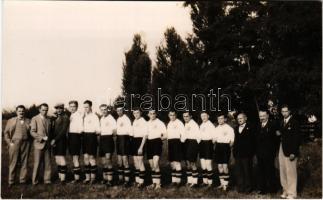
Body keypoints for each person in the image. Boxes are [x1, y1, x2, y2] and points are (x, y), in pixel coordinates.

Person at [4, 105, 31, 187]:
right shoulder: (11, 120)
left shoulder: (28, 120)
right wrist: (9, 143)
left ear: (24, 112)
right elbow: (6, 133)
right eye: (19, 111)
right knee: (13, 162)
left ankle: (22, 180)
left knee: (24, 162)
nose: (21, 112)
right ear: (16, 112)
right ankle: (11, 181)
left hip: (26, 143)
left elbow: (32, 132)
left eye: (22, 111)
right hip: (14, 143)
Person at [278, 104, 300, 199]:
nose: (284, 113)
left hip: (290, 150)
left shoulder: (294, 122)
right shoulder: (281, 122)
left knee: (291, 172)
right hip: (282, 148)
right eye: (282, 111)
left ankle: (292, 193)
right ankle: (285, 190)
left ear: (289, 111)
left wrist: (294, 152)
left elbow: (297, 138)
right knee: (283, 170)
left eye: (286, 111)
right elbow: (282, 135)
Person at [255, 109, 279, 194]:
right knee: (261, 171)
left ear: (267, 115)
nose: (261, 118)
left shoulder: (272, 125)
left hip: (269, 153)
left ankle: (273, 189)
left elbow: (276, 140)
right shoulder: (258, 125)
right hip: (260, 153)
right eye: (260, 116)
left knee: (270, 171)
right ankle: (262, 189)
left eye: (263, 116)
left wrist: (273, 151)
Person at [233, 112, 255, 193]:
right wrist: (234, 152)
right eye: (238, 119)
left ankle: (248, 188)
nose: (239, 120)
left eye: (241, 118)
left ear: (245, 118)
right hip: (238, 153)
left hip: (247, 154)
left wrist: (251, 153)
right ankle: (240, 187)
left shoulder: (250, 127)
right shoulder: (236, 128)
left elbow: (253, 142)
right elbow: (235, 141)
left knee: (247, 171)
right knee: (239, 171)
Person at [30, 103, 52, 185]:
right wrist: (41, 138)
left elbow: (50, 132)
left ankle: (47, 180)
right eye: (43, 110)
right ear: (39, 110)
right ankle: (35, 181)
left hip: (47, 145)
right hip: (38, 144)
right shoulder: (34, 118)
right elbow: (32, 132)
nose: (45, 111)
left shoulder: (49, 119)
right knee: (37, 163)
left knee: (48, 163)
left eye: (46, 110)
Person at [213, 112, 235, 191]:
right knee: (219, 166)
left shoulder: (229, 128)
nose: (220, 120)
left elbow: (232, 141)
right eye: (218, 119)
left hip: (225, 147)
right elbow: (214, 140)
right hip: (218, 147)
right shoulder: (216, 128)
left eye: (222, 118)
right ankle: (222, 183)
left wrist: (228, 148)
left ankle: (226, 184)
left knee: (225, 166)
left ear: (225, 119)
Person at [146, 109, 167, 190]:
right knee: (152, 165)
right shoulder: (147, 123)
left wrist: (160, 139)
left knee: (155, 163)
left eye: (154, 113)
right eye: (150, 113)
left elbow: (165, 134)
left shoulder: (160, 122)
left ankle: (159, 184)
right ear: (148, 115)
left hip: (157, 143)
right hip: (149, 143)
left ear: (156, 114)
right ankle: (154, 183)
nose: (152, 115)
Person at [51, 103, 69, 183]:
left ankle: (63, 179)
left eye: (60, 108)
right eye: (57, 108)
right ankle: (60, 176)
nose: (58, 110)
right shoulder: (55, 117)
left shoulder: (65, 117)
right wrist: (53, 139)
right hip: (54, 140)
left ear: (63, 109)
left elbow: (63, 131)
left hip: (61, 140)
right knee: (57, 158)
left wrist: (55, 139)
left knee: (61, 157)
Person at [82, 100, 100, 184]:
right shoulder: (84, 116)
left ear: (90, 107)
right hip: (85, 137)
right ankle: (87, 178)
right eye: (84, 107)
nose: (85, 108)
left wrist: (94, 134)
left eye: (87, 107)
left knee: (91, 157)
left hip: (92, 137)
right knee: (85, 157)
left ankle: (93, 178)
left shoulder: (94, 117)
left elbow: (98, 130)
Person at [166, 110, 185, 187]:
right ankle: (174, 180)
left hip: (177, 143)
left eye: (173, 115)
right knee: (172, 162)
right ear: (168, 115)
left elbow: (183, 134)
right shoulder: (169, 123)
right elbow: (167, 135)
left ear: (176, 115)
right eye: (171, 115)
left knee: (177, 162)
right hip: (170, 143)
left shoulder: (179, 123)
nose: (172, 116)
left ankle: (178, 182)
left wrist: (181, 143)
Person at [99, 104, 116, 186]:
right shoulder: (101, 118)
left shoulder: (111, 118)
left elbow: (115, 130)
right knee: (103, 161)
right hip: (102, 139)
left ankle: (110, 180)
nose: (103, 111)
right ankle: (105, 178)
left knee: (108, 159)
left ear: (107, 110)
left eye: (105, 109)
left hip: (108, 139)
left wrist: (110, 135)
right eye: (102, 110)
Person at [181, 111, 200, 188]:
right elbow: (184, 135)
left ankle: (195, 182)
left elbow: (198, 136)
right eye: (184, 116)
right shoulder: (186, 123)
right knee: (187, 162)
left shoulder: (194, 124)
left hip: (193, 143)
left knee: (192, 163)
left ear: (190, 116)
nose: (185, 118)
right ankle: (189, 180)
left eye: (187, 116)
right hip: (186, 143)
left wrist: (195, 146)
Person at [131, 107, 148, 188]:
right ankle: (137, 180)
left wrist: (141, 147)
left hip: (140, 142)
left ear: (140, 113)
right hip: (134, 141)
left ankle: (141, 182)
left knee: (140, 162)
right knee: (136, 163)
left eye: (137, 113)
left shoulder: (143, 121)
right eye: (134, 113)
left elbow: (145, 135)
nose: (136, 114)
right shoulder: (134, 121)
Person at [116, 107, 132, 187]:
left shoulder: (126, 119)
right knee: (119, 160)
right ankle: (120, 179)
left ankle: (127, 180)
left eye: (120, 110)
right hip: (118, 139)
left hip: (125, 139)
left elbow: (130, 133)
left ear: (123, 111)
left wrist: (128, 142)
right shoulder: (118, 119)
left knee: (125, 159)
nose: (119, 112)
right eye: (117, 111)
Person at [68, 100, 83, 183]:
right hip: (71, 136)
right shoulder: (72, 115)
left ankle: (77, 179)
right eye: (71, 106)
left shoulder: (78, 115)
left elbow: (81, 129)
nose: (72, 108)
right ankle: (76, 177)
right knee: (74, 158)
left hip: (76, 137)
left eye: (74, 106)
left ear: (77, 107)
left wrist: (78, 137)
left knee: (75, 158)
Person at [199, 111, 216, 187]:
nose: (203, 117)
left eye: (205, 116)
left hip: (208, 144)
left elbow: (214, 137)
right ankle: (205, 181)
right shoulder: (201, 125)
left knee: (208, 164)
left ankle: (210, 182)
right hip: (202, 144)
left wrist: (210, 144)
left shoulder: (211, 125)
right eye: (202, 116)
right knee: (203, 164)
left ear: (208, 116)